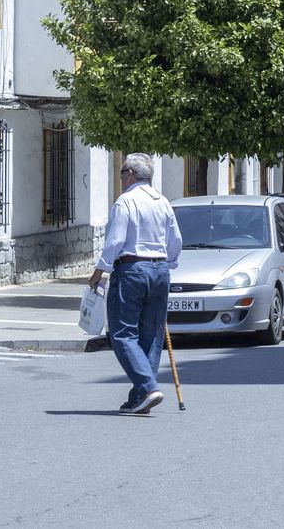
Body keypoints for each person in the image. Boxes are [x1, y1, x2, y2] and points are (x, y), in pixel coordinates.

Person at [88, 153, 182, 415]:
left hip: (131, 269)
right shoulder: (163, 202)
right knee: (151, 336)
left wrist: (98, 273)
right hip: (160, 269)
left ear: (129, 174)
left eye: (121, 174)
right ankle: (140, 396)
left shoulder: (125, 201)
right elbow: (176, 241)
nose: (120, 179)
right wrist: (166, 265)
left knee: (122, 333)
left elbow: (115, 241)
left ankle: (148, 386)